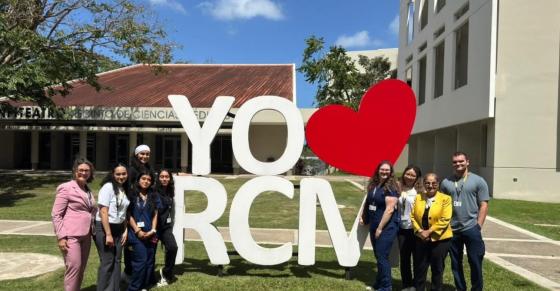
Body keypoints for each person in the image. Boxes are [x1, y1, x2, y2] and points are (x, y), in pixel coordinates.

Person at [440, 152, 490, 291]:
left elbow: (484, 204)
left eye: (461, 161)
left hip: (471, 228)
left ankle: (477, 288)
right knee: (456, 263)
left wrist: (478, 226)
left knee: (475, 261)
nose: (458, 164)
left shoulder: (478, 181)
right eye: (455, 162)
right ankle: (460, 288)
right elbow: (441, 205)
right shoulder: (446, 182)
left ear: (468, 162)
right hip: (452, 229)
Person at [52, 158, 97, 291]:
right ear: (75, 171)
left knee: (81, 268)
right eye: (81, 170)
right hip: (71, 235)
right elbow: (56, 214)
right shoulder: (66, 188)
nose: (83, 173)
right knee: (74, 267)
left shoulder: (87, 190)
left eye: (87, 171)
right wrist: (61, 237)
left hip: (86, 235)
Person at [360, 161, 399, 291]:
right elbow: (368, 202)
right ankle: (379, 282)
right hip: (374, 225)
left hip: (386, 227)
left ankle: (386, 286)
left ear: (391, 172)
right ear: (378, 170)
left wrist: (380, 228)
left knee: (382, 256)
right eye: (382, 169)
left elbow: (389, 210)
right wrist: (364, 217)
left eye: (387, 170)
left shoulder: (391, 188)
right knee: (378, 255)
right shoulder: (375, 185)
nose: (384, 172)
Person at [411, 173, 453, 291]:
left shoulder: (446, 199)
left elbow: (445, 219)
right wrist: (420, 231)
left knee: (437, 268)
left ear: (438, 184)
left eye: (434, 183)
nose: (430, 186)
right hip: (421, 238)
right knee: (420, 267)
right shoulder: (418, 197)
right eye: (427, 183)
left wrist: (429, 232)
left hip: (440, 240)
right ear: (424, 184)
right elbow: (412, 216)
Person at [94, 163, 131, 291]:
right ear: (113, 174)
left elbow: (124, 212)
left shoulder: (124, 188)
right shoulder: (108, 187)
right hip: (105, 228)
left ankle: (115, 288)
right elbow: (103, 211)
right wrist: (108, 234)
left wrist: (125, 230)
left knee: (117, 261)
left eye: (124, 173)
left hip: (119, 228)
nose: (121, 176)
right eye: (118, 174)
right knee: (107, 262)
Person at [124, 144, 155, 281]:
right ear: (136, 155)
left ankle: (135, 273)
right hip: (132, 207)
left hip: (144, 208)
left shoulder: (148, 169)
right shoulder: (131, 170)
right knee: (130, 246)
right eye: (142, 154)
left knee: (141, 247)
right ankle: (128, 272)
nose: (145, 156)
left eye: (147, 154)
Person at [127, 171, 160, 291]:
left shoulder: (154, 195)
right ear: (138, 180)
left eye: (149, 179)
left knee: (149, 261)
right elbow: (128, 214)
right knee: (140, 261)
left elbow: (155, 214)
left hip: (150, 233)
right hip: (135, 234)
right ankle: (133, 288)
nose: (146, 181)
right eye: (143, 178)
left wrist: (153, 230)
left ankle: (144, 286)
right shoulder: (131, 195)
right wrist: (137, 231)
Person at [397, 165, 422, 291]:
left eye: (413, 175)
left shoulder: (420, 191)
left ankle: (417, 285)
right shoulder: (397, 188)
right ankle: (406, 284)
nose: (410, 177)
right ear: (404, 174)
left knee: (418, 258)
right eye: (408, 174)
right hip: (402, 229)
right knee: (405, 258)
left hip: (416, 229)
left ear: (417, 177)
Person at [155, 169, 178, 287]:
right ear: (158, 178)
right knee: (149, 255)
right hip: (153, 228)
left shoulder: (170, 191)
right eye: (162, 176)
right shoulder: (153, 191)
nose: (164, 179)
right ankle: (146, 277)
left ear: (170, 178)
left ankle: (166, 273)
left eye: (167, 177)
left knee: (173, 247)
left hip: (166, 228)